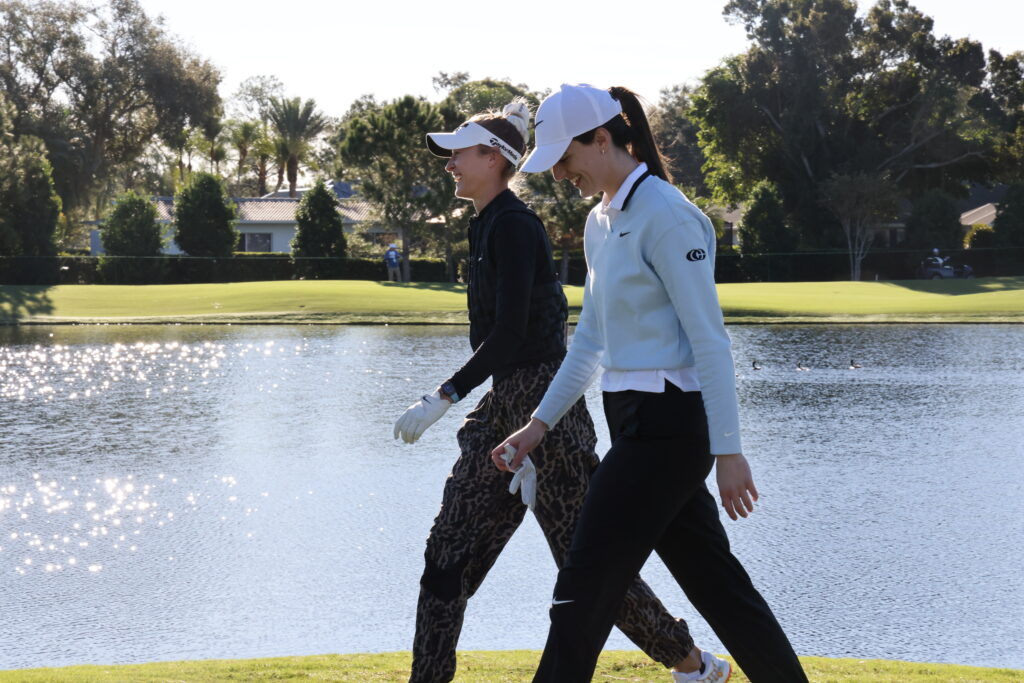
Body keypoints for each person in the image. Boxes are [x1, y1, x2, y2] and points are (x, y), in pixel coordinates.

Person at [492, 84, 808, 683]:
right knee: (721, 590)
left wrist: (729, 449)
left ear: (604, 140)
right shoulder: (600, 221)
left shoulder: (668, 216)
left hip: (669, 432)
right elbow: (590, 341)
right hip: (633, 424)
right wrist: (538, 426)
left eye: (565, 158)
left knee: (583, 588)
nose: (560, 173)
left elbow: (710, 341)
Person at [395, 99, 718, 683]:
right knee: (446, 559)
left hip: (550, 410)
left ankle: (695, 666)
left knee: (588, 570)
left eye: (458, 154)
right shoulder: (484, 224)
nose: (449, 165)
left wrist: (444, 394)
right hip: (502, 408)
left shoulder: (516, 226)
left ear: (494, 159)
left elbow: (513, 332)